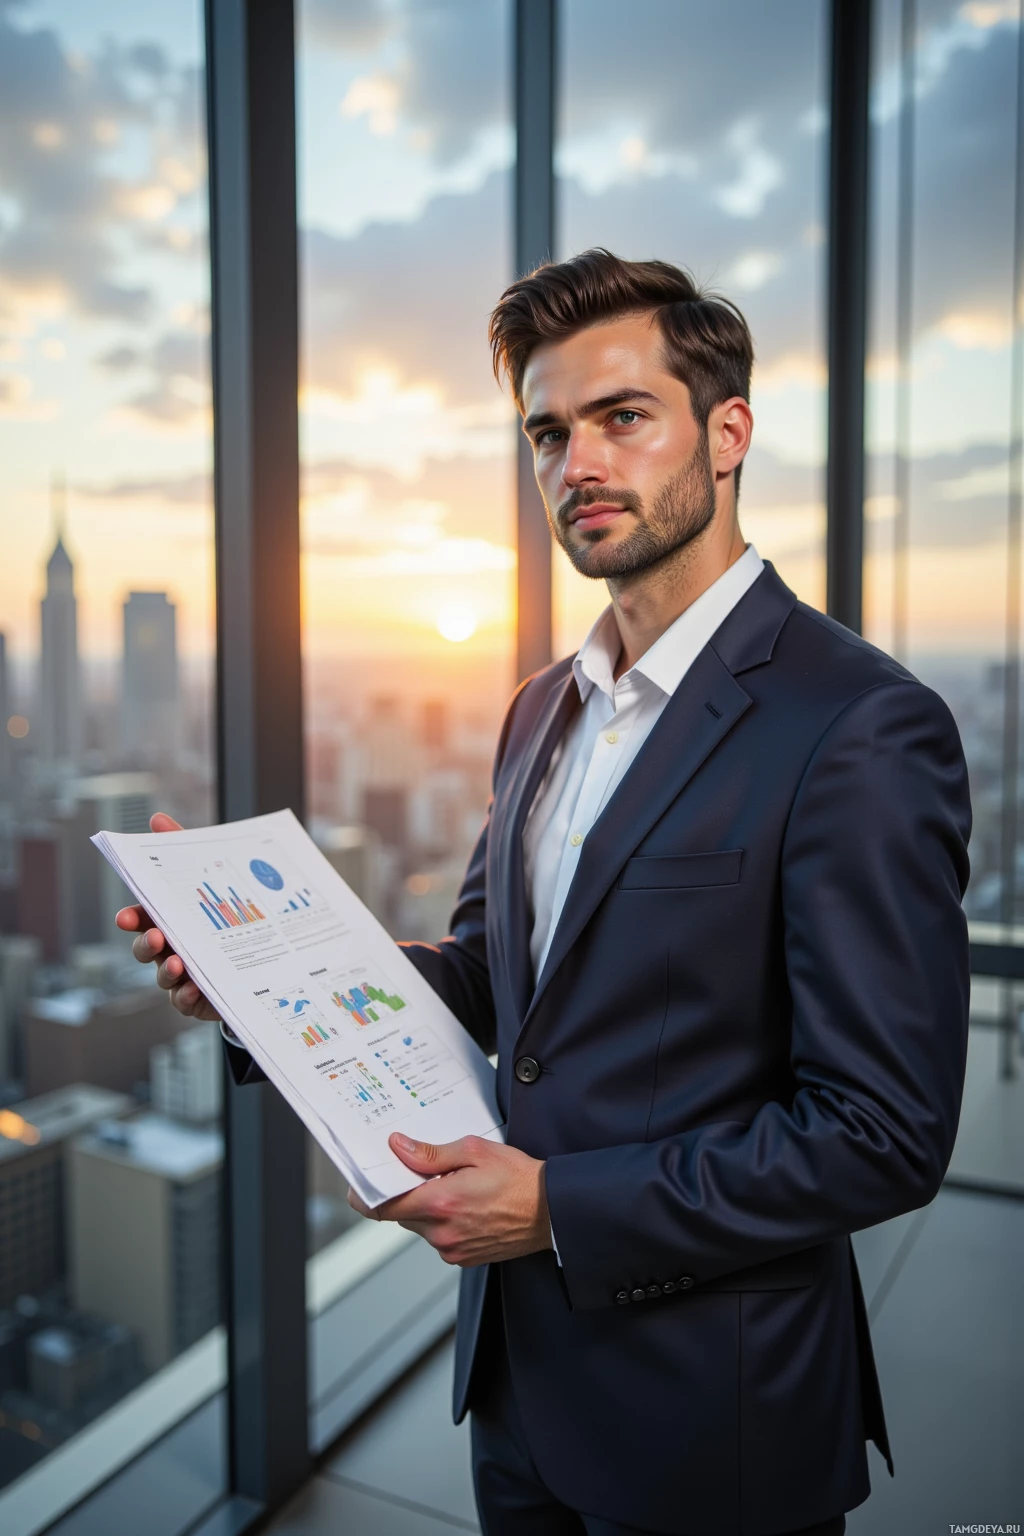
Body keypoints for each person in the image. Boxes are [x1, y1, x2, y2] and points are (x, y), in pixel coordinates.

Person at [117, 249, 972, 1536]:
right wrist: (250, 988)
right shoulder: (540, 710)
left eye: (623, 418)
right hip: (516, 1387)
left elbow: (881, 1133)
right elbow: (486, 977)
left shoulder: (858, 724)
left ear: (726, 433)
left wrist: (555, 1206)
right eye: (547, 433)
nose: (577, 466)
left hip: (709, 1420)